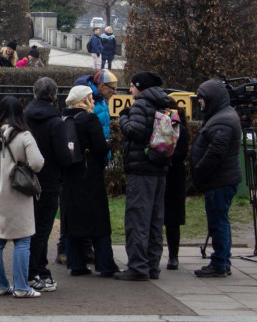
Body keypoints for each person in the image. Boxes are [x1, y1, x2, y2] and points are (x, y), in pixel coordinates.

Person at [116, 71, 177, 281]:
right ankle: (152, 266)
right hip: (159, 168)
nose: (130, 89)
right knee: (155, 221)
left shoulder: (140, 105)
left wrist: (123, 117)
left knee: (137, 219)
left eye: (132, 85)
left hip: (141, 169)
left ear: (141, 87)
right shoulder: (165, 104)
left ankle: (138, 267)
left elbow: (134, 130)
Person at [0, 95, 45, 298]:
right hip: (18, 195)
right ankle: (21, 287)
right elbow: (37, 163)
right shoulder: (24, 136)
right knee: (22, 241)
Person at [59, 86, 118, 277]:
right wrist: (108, 146)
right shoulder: (89, 119)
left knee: (73, 221)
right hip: (89, 175)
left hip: (70, 176)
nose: (93, 101)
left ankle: (76, 264)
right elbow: (100, 148)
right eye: (91, 98)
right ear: (84, 100)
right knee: (98, 220)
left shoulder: (64, 119)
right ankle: (105, 265)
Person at [191, 79, 242, 278]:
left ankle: (220, 262)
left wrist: (199, 170)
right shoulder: (224, 116)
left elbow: (215, 153)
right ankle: (223, 260)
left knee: (218, 222)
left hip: (219, 181)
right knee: (221, 220)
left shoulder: (222, 120)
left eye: (202, 98)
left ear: (211, 99)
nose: (200, 102)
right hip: (222, 179)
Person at [23, 77, 63, 293]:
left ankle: (33, 269)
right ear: (54, 95)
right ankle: (36, 270)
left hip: (25, 180)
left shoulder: (24, 118)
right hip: (49, 180)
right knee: (43, 228)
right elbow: (63, 154)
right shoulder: (55, 122)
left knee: (29, 228)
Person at [164, 102, 190, 270]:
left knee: (172, 219)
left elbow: (182, 153)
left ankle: (173, 255)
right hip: (168, 174)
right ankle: (169, 256)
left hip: (173, 175)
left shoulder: (180, 129)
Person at [91, 69, 119, 142]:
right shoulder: (86, 100)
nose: (115, 92)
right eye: (113, 88)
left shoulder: (103, 100)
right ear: (102, 86)